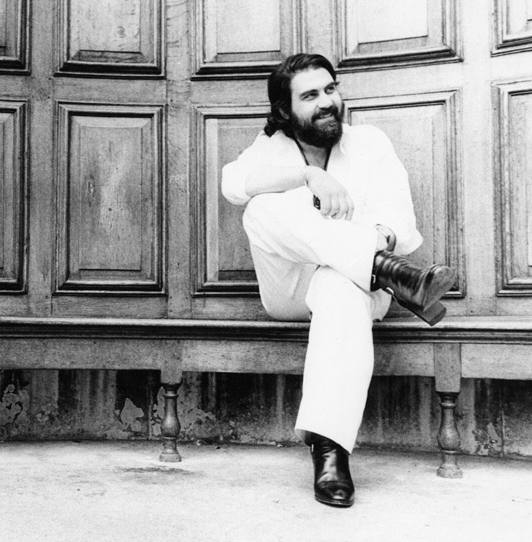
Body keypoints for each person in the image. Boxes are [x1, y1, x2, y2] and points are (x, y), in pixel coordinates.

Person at [221, 53, 456, 508]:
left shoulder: (369, 143)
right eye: (310, 95)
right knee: (259, 208)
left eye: (330, 89)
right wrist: (308, 176)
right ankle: (388, 271)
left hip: (358, 292)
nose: (327, 102)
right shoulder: (270, 147)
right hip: (290, 289)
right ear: (285, 110)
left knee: (337, 283)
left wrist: (372, 243)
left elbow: (401, 225)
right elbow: (233, 183)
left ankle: (330, 451)